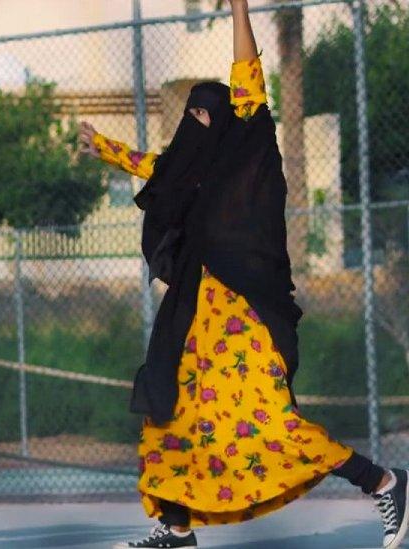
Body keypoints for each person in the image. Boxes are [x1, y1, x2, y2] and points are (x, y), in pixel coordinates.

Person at [79, 2, 408, 548]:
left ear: (230, 118)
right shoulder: (195, 171)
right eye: (192, 115)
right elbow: (160, 168)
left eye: (206, 115)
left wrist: (237, 8)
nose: (197, 123)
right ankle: (176, 529)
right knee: (174, 415)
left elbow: (248, 79)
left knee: (267, 423)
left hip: (246, 315)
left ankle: (383, 481)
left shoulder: (250, 150)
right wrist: (105, 149)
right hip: (195, 318)